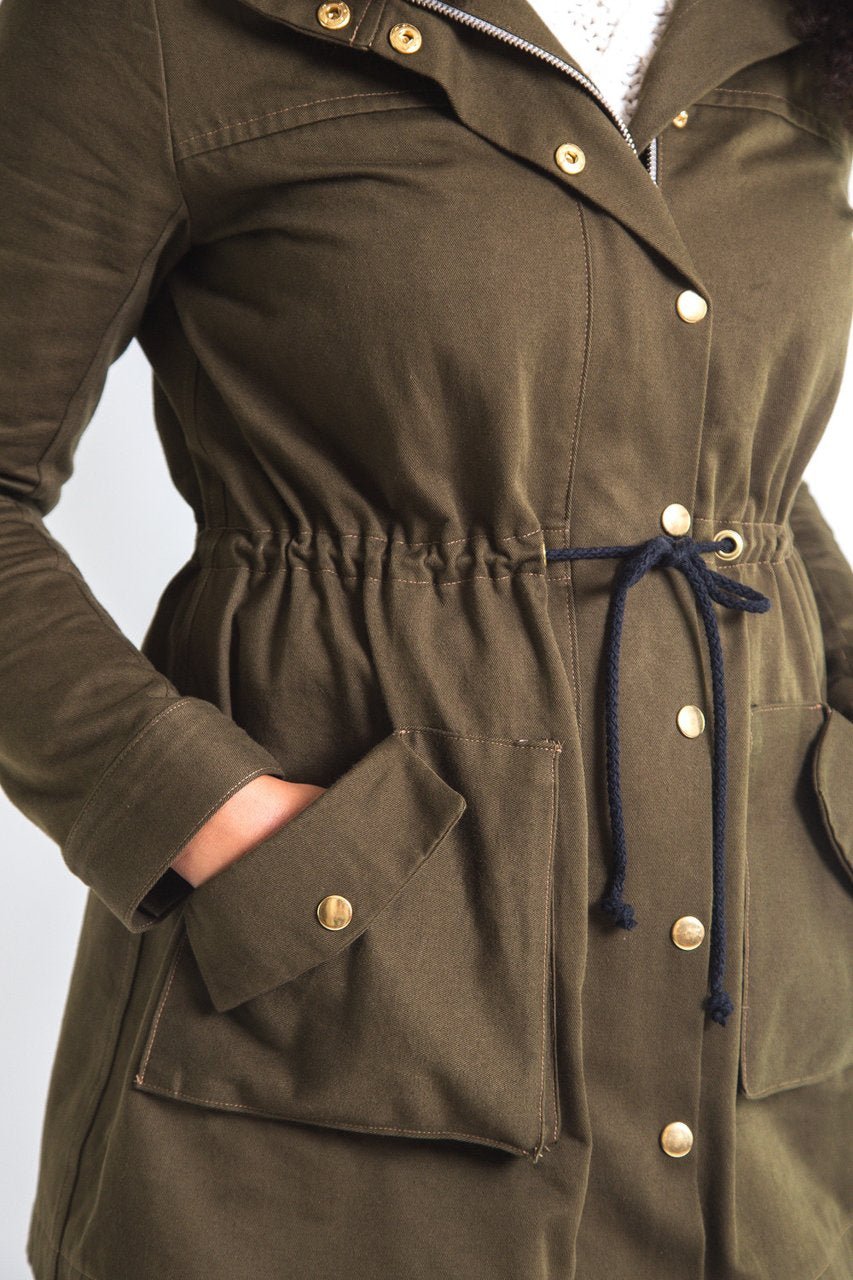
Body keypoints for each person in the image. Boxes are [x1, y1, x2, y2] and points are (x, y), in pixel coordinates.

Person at [1, 0, 851, 1275]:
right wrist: (188, 805)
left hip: (764, 1056)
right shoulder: (150, 26)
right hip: (329, 1039)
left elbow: (719, 480)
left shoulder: (797, 28)